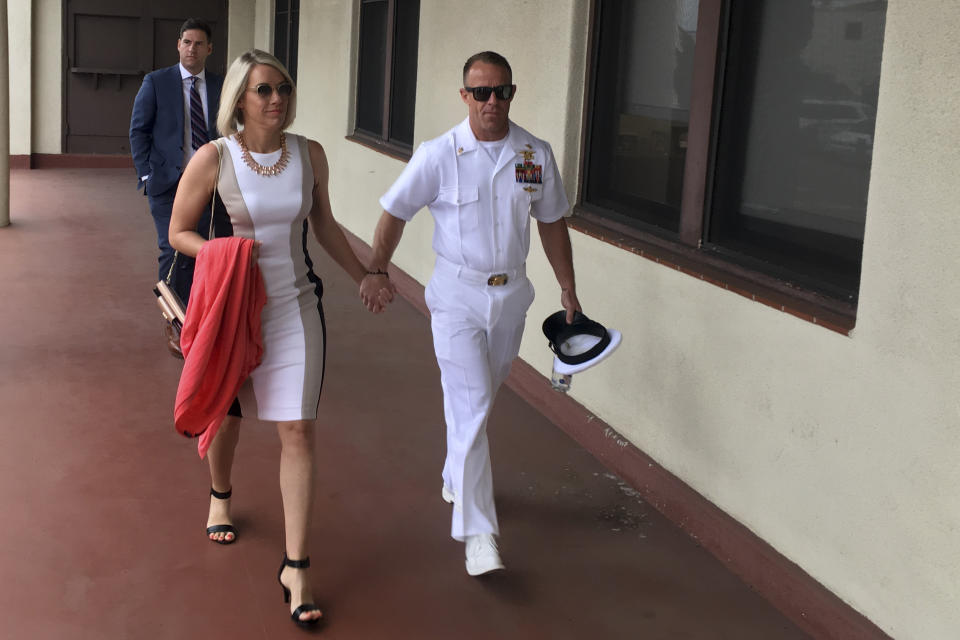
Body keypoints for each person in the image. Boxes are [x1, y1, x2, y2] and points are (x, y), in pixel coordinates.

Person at [169, 49, 386, 628]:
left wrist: (366, 273)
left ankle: (297, 567)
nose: (276, 100)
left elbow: (324, 224)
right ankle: (221, 493)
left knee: (298, 427)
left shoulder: (308, 154)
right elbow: (179, 232)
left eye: (284, 89)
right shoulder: (214, 158)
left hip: (295, 305)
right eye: (264, 90)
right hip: (235, 308)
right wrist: (221, 251)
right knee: (229, 412)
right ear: (240, 98)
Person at [360, 51, 581, 576]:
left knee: (483, 396)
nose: (491, 101)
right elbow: (395, 211)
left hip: (512, 296)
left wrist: (568, 288)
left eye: (500, 91)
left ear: (512, 93)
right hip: (457, 294)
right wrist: (377, 270)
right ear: (464, 96)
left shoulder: (534, 154)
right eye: (480, 92)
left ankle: (456, 474)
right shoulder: (439, 154)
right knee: (474, 399)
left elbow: (551, 222)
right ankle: (478, 533)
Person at [130, 18, 224, 311]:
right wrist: (146, 174)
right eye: (186, 42)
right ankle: (173, 316)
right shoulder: (157, 82)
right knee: (172, 250)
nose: (191, 49)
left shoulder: (221, 85)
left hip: (213, 182)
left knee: (211, 247)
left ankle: (202, 311)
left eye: (198, 44)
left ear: (209, 48)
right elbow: (138, 130)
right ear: (178, 45)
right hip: (168, 181)